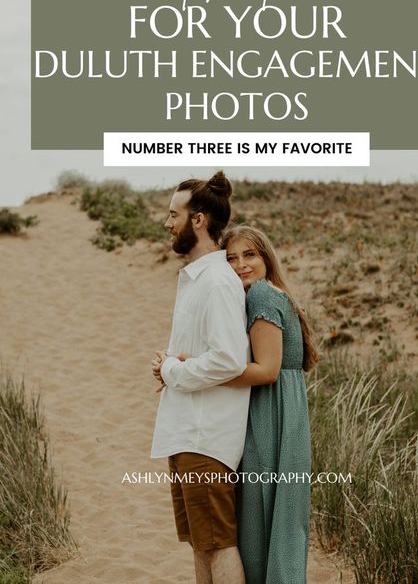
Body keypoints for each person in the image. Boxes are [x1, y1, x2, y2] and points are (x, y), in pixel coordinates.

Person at [150, 173, 251, 584]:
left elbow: (228, 359)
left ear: (199, 220)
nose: (166, 222)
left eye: (174, 214)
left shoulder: (218, 282)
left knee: (217, 543)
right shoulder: (198, 279)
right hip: (187, 431)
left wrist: (172, 370)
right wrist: (174, 365)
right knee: (200, 542)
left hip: (205, 436)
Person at [219, 225, 319, 584]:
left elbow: (267, 370)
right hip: (288, 415)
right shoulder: (274, 292)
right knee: (284, 520)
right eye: (231, 258)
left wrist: (202, 373)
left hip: (270, 415)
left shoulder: (260, 296)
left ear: (265, 256)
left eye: (249, 255)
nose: (240, 265)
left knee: (261, 516)